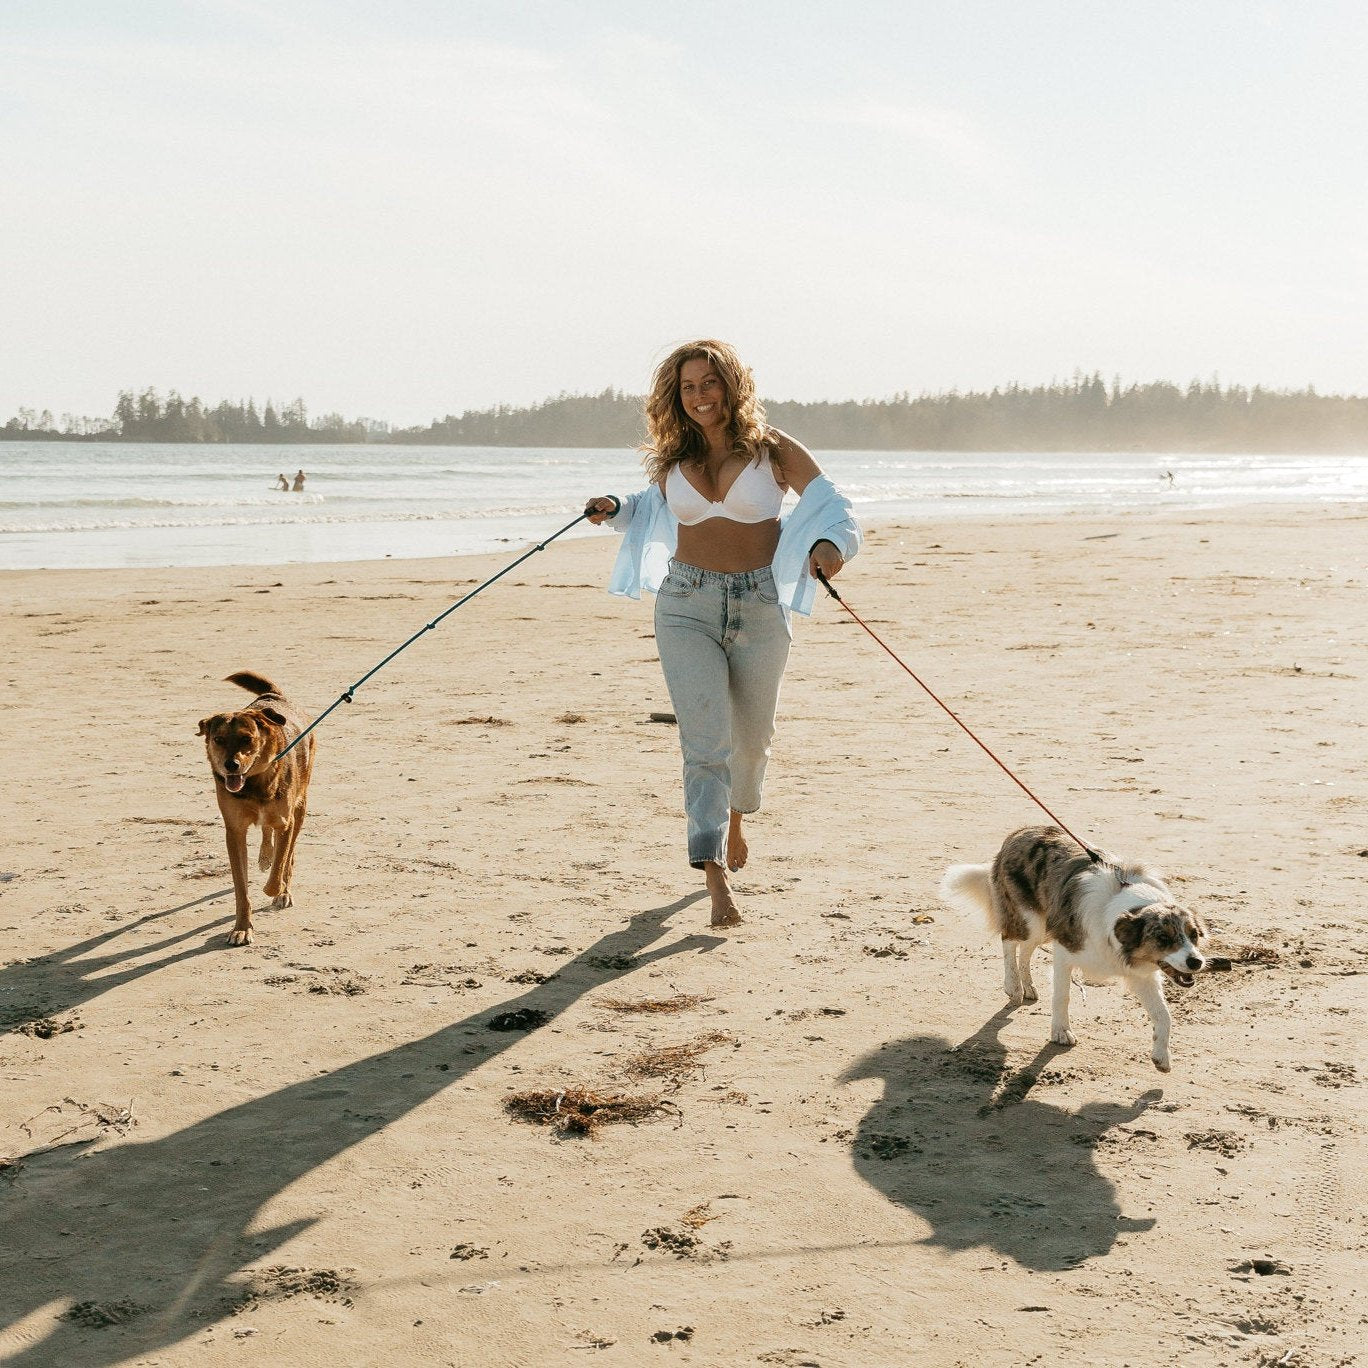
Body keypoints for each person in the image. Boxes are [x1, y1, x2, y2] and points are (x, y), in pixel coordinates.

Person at [585, 339, 861, 928]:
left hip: (760, 606)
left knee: (751, 743)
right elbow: (646, 506)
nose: (699, 395)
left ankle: (738, 815)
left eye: (709, 382)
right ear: (674, 396)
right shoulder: (673, 458)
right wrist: (612, 506)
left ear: (731, 385)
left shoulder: (772, 450)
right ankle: (714, 879)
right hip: (684, 604)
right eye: (688, 386)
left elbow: (836, 508)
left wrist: (829, 549)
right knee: (705, 742)